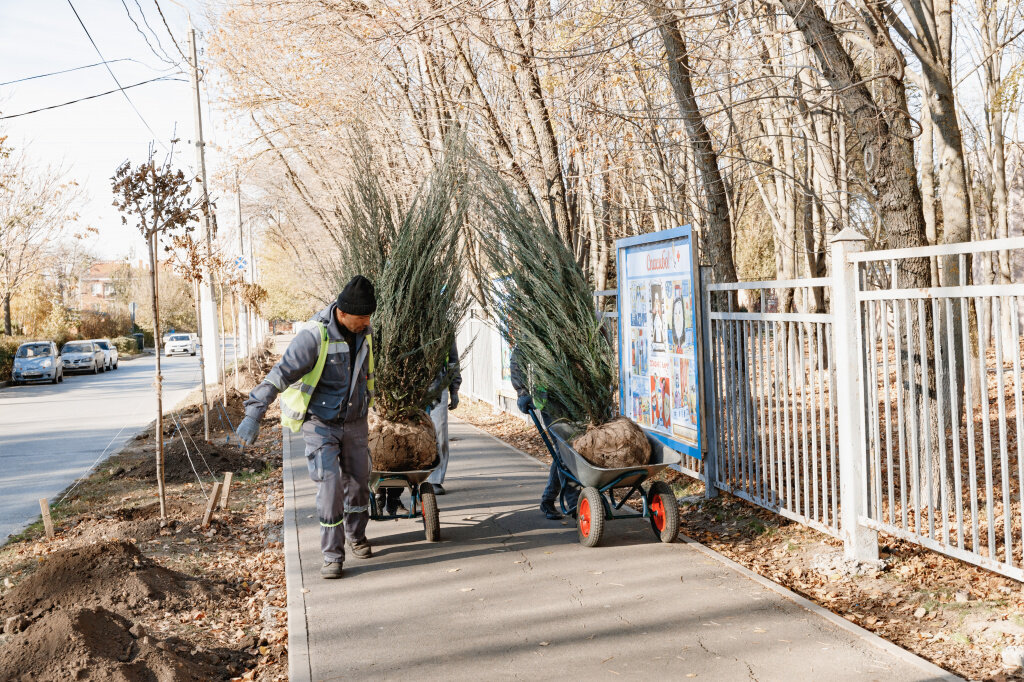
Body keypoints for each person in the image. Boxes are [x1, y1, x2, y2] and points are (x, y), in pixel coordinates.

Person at [237, 275, 377, 580]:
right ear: (341, 312)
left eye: (369, 316)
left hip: (355, 421)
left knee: (358, 484)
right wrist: (254, 412)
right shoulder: (315, 336)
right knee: (329, 486)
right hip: (320, 423)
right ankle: (332, 554)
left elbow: (367, 374)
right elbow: (280, 373)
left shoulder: (365, 333)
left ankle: (356, 535)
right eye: (361, 317)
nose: (366, 322)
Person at [509, 344, 579, 520]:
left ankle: (548, 500)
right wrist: (522, 392)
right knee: (564, 448)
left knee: (566, 450)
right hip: (549, 399)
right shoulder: (538, 323)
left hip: (576, 397)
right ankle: (574, 504)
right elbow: (518, 358)